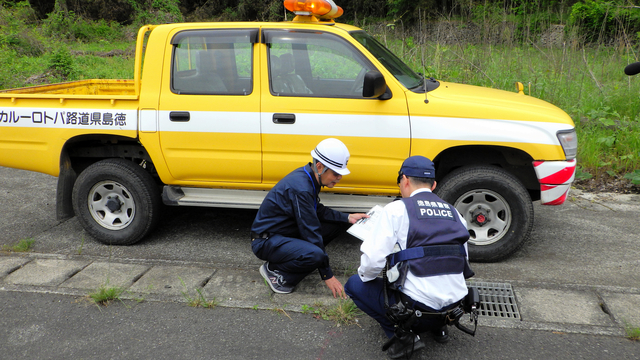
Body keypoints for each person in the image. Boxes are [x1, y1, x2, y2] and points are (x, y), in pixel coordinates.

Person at [344, 155, 474, 359]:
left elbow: (372, 262)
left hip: (418, 312)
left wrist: (369, 279)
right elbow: (463, 260)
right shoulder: (455, 212)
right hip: (454, 308)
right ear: (433, 185)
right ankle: (439, 328)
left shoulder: (397, 209)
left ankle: (403, 337)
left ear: (404, 180)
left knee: (354, 284)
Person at [251, 138, 369, 298]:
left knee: (337, 224)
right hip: (266, 242)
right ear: (320, 167)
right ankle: (277, 274)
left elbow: (316, 210)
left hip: (283, 234)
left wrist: (348, 217)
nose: (339, 177)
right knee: (315, 254)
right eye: (335, 173)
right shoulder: (301, 188)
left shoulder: (308, 177)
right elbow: (311, 232)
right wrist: (327, 275)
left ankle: (293, 258)